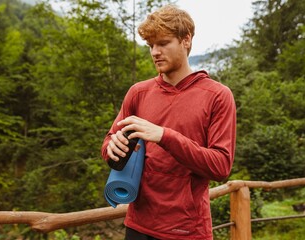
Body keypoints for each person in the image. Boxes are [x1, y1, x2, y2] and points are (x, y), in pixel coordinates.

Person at [101, 4, 236, 240]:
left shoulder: (217, 96)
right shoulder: (138, 92)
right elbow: (109, 142)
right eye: (151, 45)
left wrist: (164, 136)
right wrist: (111, 147)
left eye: (163, 43)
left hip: (188, 230)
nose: (155, 52)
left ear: (186, 40)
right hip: (138, 225)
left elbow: (221, 166)